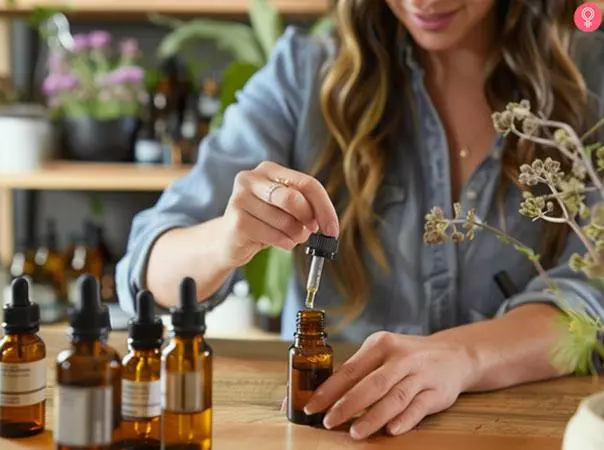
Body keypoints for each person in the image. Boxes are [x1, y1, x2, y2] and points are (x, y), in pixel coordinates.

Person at [116, 0, 604, 440]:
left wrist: (463, 356)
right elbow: (145, 270)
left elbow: (593, 293)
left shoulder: (588, 76)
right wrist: (226, 239)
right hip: (336, 432)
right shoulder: (306, 71)